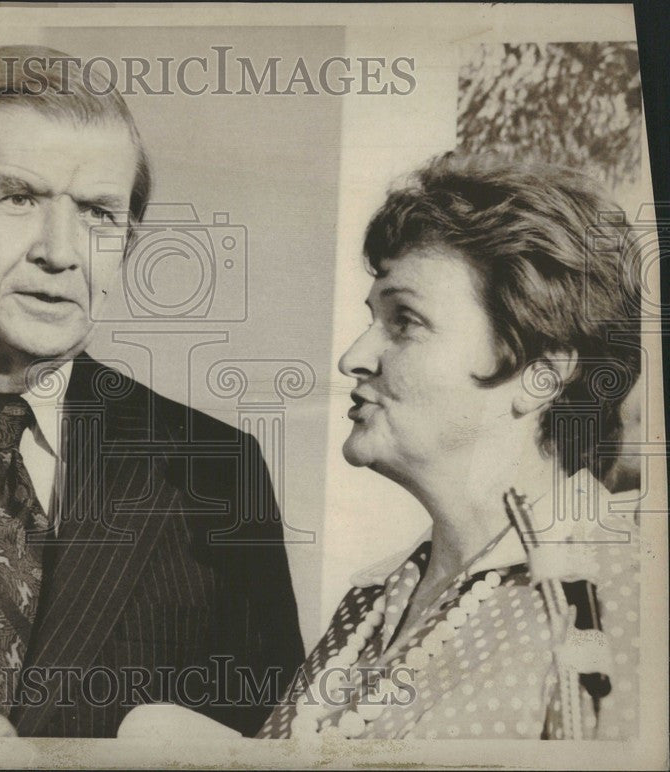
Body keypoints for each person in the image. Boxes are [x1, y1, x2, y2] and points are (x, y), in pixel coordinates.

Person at [0, 45, 303, 738]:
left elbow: (265, 746)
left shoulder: (215, 473)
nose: (61, 250)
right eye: (19, 198)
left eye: (98, 214)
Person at [258, 153, 642, 740]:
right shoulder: (369, 605)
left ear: (541, 374)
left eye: (405, 320)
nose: (354, 357)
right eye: (373, 318)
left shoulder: (623, 591)